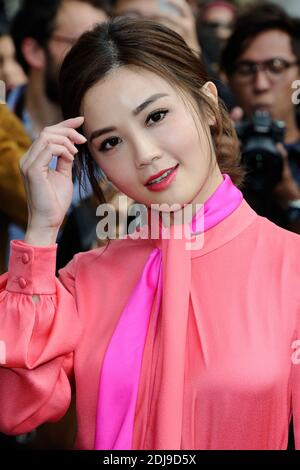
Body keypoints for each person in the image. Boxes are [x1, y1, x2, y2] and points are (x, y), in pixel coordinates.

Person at [0, 17, 299, 450]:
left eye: (156, 116)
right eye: (110, 143)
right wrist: (41, 233)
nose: (145, 154)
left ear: (208, 105)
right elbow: (15, 407)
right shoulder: (82, 280)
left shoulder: (290, 268)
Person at [221, 2, 300, 234]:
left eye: (275, 66)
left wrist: (289, 195)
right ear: (229, 79)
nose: (260, 84)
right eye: (246, 69)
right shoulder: (213, 153)